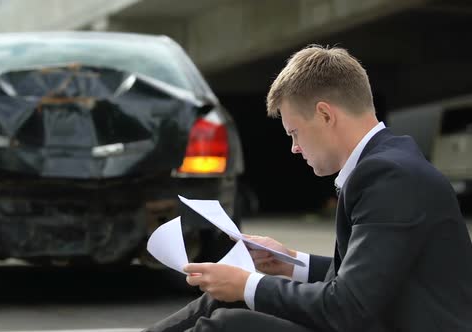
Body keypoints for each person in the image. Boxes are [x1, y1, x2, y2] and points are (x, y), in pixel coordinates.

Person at [143, 45, 472, 332]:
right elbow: (371, 275)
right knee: (224, 302)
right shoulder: (389, 164)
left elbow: (346, 306)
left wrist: (247, 284)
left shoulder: (390, 177)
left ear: (325, 115)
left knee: (231, 324)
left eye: (295, 133)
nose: (294, 148)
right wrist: (290, 262)